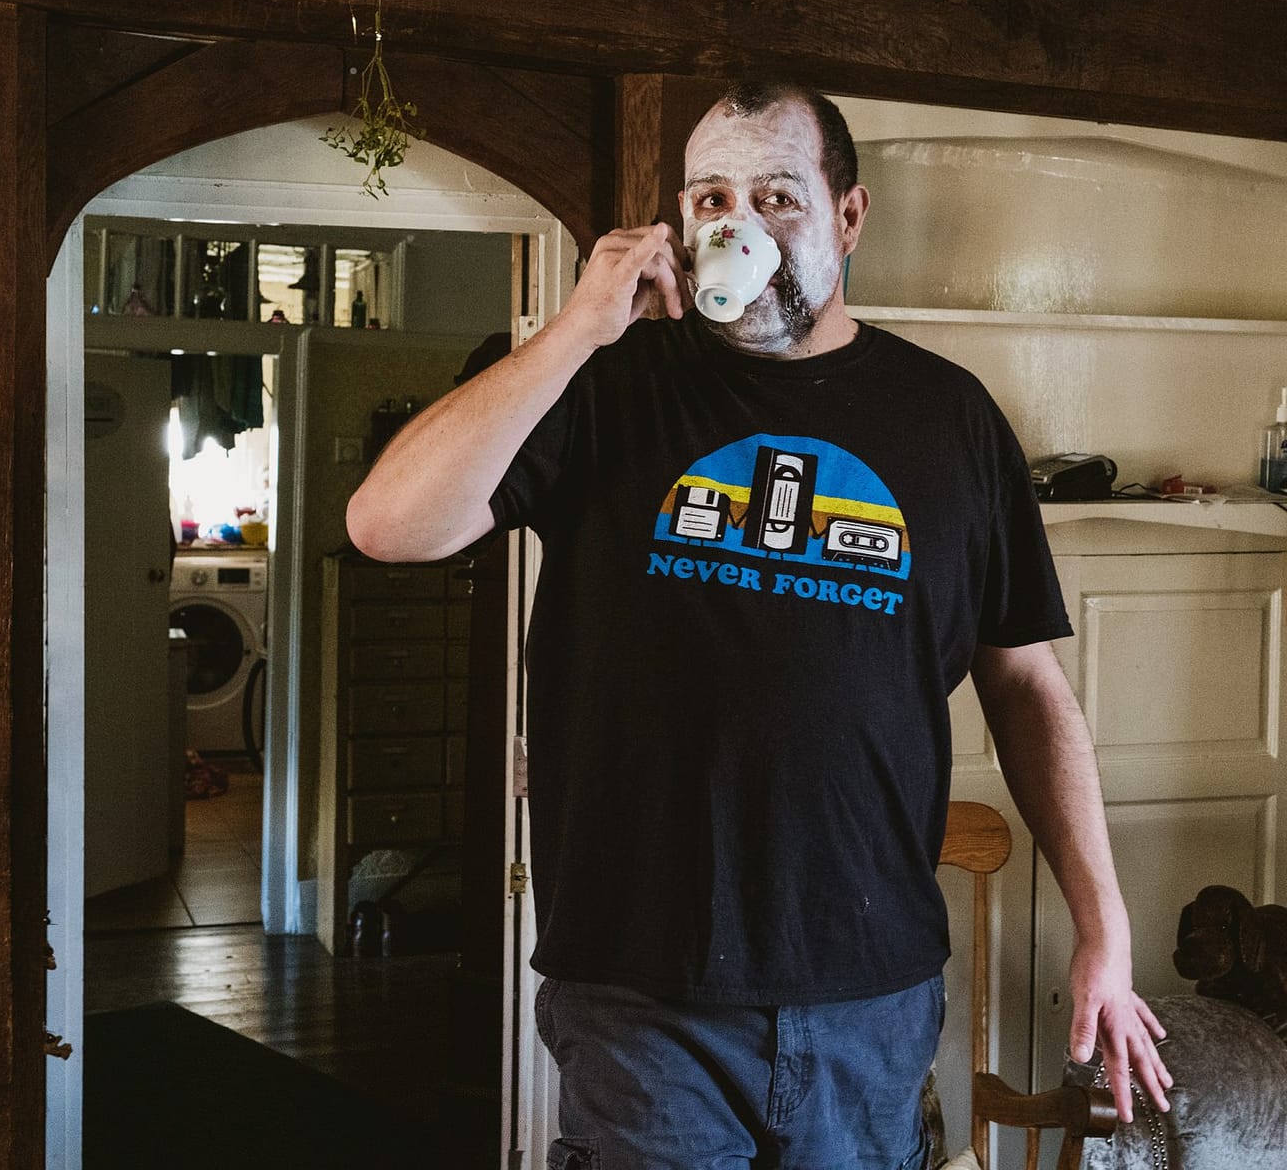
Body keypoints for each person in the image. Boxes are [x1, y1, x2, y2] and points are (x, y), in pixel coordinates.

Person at [346, 83, 1171, 1169]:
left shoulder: (951, 420)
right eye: (713, 197)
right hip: (646, 998)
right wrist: (577, 329)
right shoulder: (603, 387)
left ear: (848, 216)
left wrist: (1103, 925)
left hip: (870, 999)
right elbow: (384, 523)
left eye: (780, 195)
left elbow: (1025, 685)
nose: (742, 223)